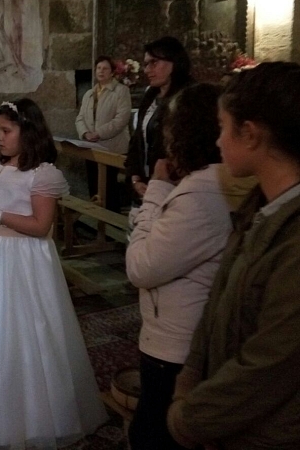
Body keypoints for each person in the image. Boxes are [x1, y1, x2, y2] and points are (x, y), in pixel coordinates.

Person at [0, 98, 107, 449]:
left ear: (27, 132)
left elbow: (40, 224)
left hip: (24, 261)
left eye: (6, 131)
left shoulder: (42, 173)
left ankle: (31, 417)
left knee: (24, 335)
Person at [167, 62, 300, 450]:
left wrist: (189, 418)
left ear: (250, 133)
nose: (218, 141)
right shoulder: (259, 207)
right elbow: (220, 299)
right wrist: (191, 372)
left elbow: (273, 362)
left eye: (224, 127)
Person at [125, 83, 254, 450]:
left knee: (154, 434)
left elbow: (140, 266)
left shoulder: (199, 196)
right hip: (191, 336)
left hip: (176, 346)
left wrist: (156, 192)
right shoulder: (218, 186)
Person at [125, 36, 192, 203]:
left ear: (175, 62)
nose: (147, 70)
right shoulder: (150, 96)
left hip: (173, 188)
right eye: (146, 64)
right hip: (145, 185)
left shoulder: (188, 98)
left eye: (154, 63)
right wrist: (135, 178)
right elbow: (137, 141)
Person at [76, 55, 132, 211]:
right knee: (94, 187)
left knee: (109, 188)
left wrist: (98, 133)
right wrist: (85, 133)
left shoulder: (121, 91)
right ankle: (96, 223)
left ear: (112, 72)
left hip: (111, 147)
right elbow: (80, 118)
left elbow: (121, 119)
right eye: (98, 68)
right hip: (91, 147)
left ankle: (110, 226)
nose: (101, 71)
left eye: (105, 68)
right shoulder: (89, 94)